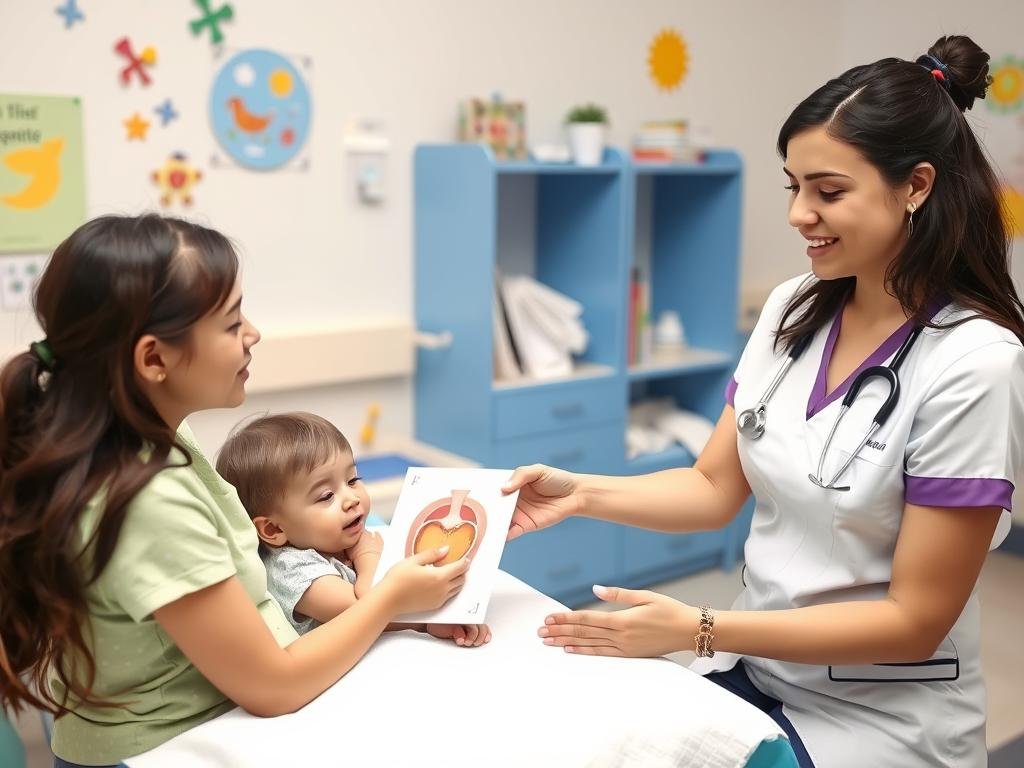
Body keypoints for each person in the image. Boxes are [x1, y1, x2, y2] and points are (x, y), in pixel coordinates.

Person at [502, 35, 1024, 767]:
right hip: (758, 667)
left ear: (916, 186)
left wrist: (697, 628)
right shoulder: (794, 308)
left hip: (883, 717)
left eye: (828, 191)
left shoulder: (975, 363)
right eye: (793, 186)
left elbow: (913, 621)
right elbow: (714, 486)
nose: (798, 214)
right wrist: (580, 493)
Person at [0, 215, 470, 768]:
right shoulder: (144, 498)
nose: (253, 333)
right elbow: (274, 686)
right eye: (230, 323)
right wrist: (390, 597)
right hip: (160, 752)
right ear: (154, 359)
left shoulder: (152, 433)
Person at [216, 411, 491, 646]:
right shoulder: (291, 570)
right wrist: (366, 555)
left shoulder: (343, 539)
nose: (351, 498)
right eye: (326, 496)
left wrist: (432, 623)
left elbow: (392, 611)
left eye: (352, 479)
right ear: (274, 529)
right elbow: (371, 609)